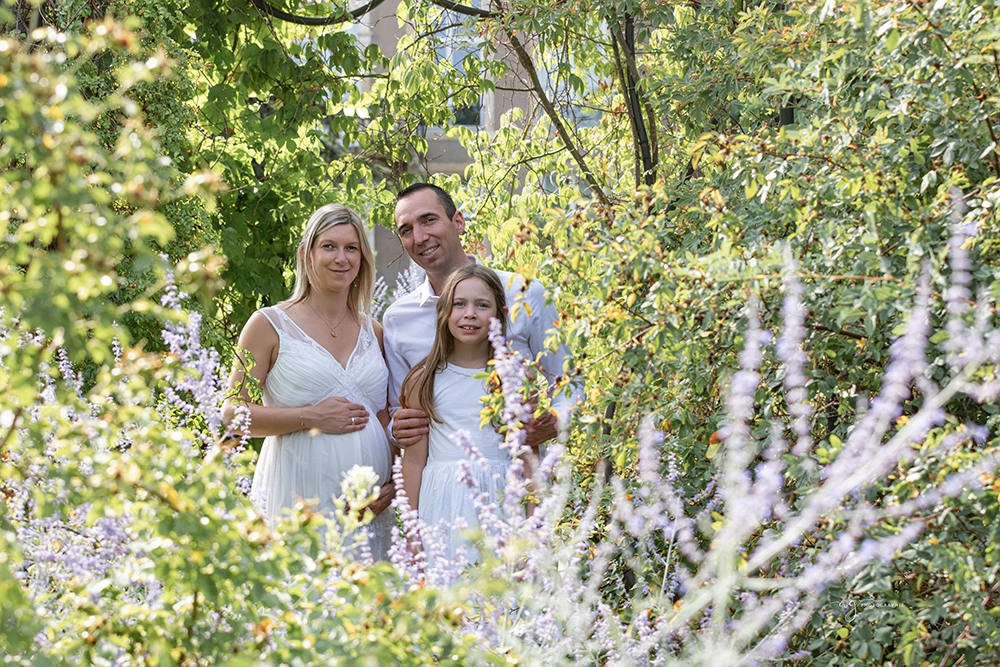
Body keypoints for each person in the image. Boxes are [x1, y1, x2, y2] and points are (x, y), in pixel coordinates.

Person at [223, 203, 396, 559]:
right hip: (297, 494)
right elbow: (231, 414)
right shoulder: (267, 325)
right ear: (306, 254)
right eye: (329, 246)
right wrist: (311, 416)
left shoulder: (374, 331)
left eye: (351, 248)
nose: (341, 258)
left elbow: (383, 418)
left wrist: (392, 486)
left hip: (367, 510)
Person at [383, 183, 575, 450]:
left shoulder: (524, 292)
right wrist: (396, 429)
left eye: (429, 220)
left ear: (458, 221)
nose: (419, 237)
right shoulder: (397, 319)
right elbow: (398, 412)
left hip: (517, 476)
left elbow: (569, 381)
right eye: (406, 230)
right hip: (439, 481)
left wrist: (554, 420)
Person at [399, 264, 518, 560]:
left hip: (502, 502)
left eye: (482, 305)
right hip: (441, 507)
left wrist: (532, 528)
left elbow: (529, 458)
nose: (469, 314)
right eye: (459, 304)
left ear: (500, 314)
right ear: (443, 313)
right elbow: (413, 462)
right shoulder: (424, 380)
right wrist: (412, 537)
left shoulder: (514, 378)